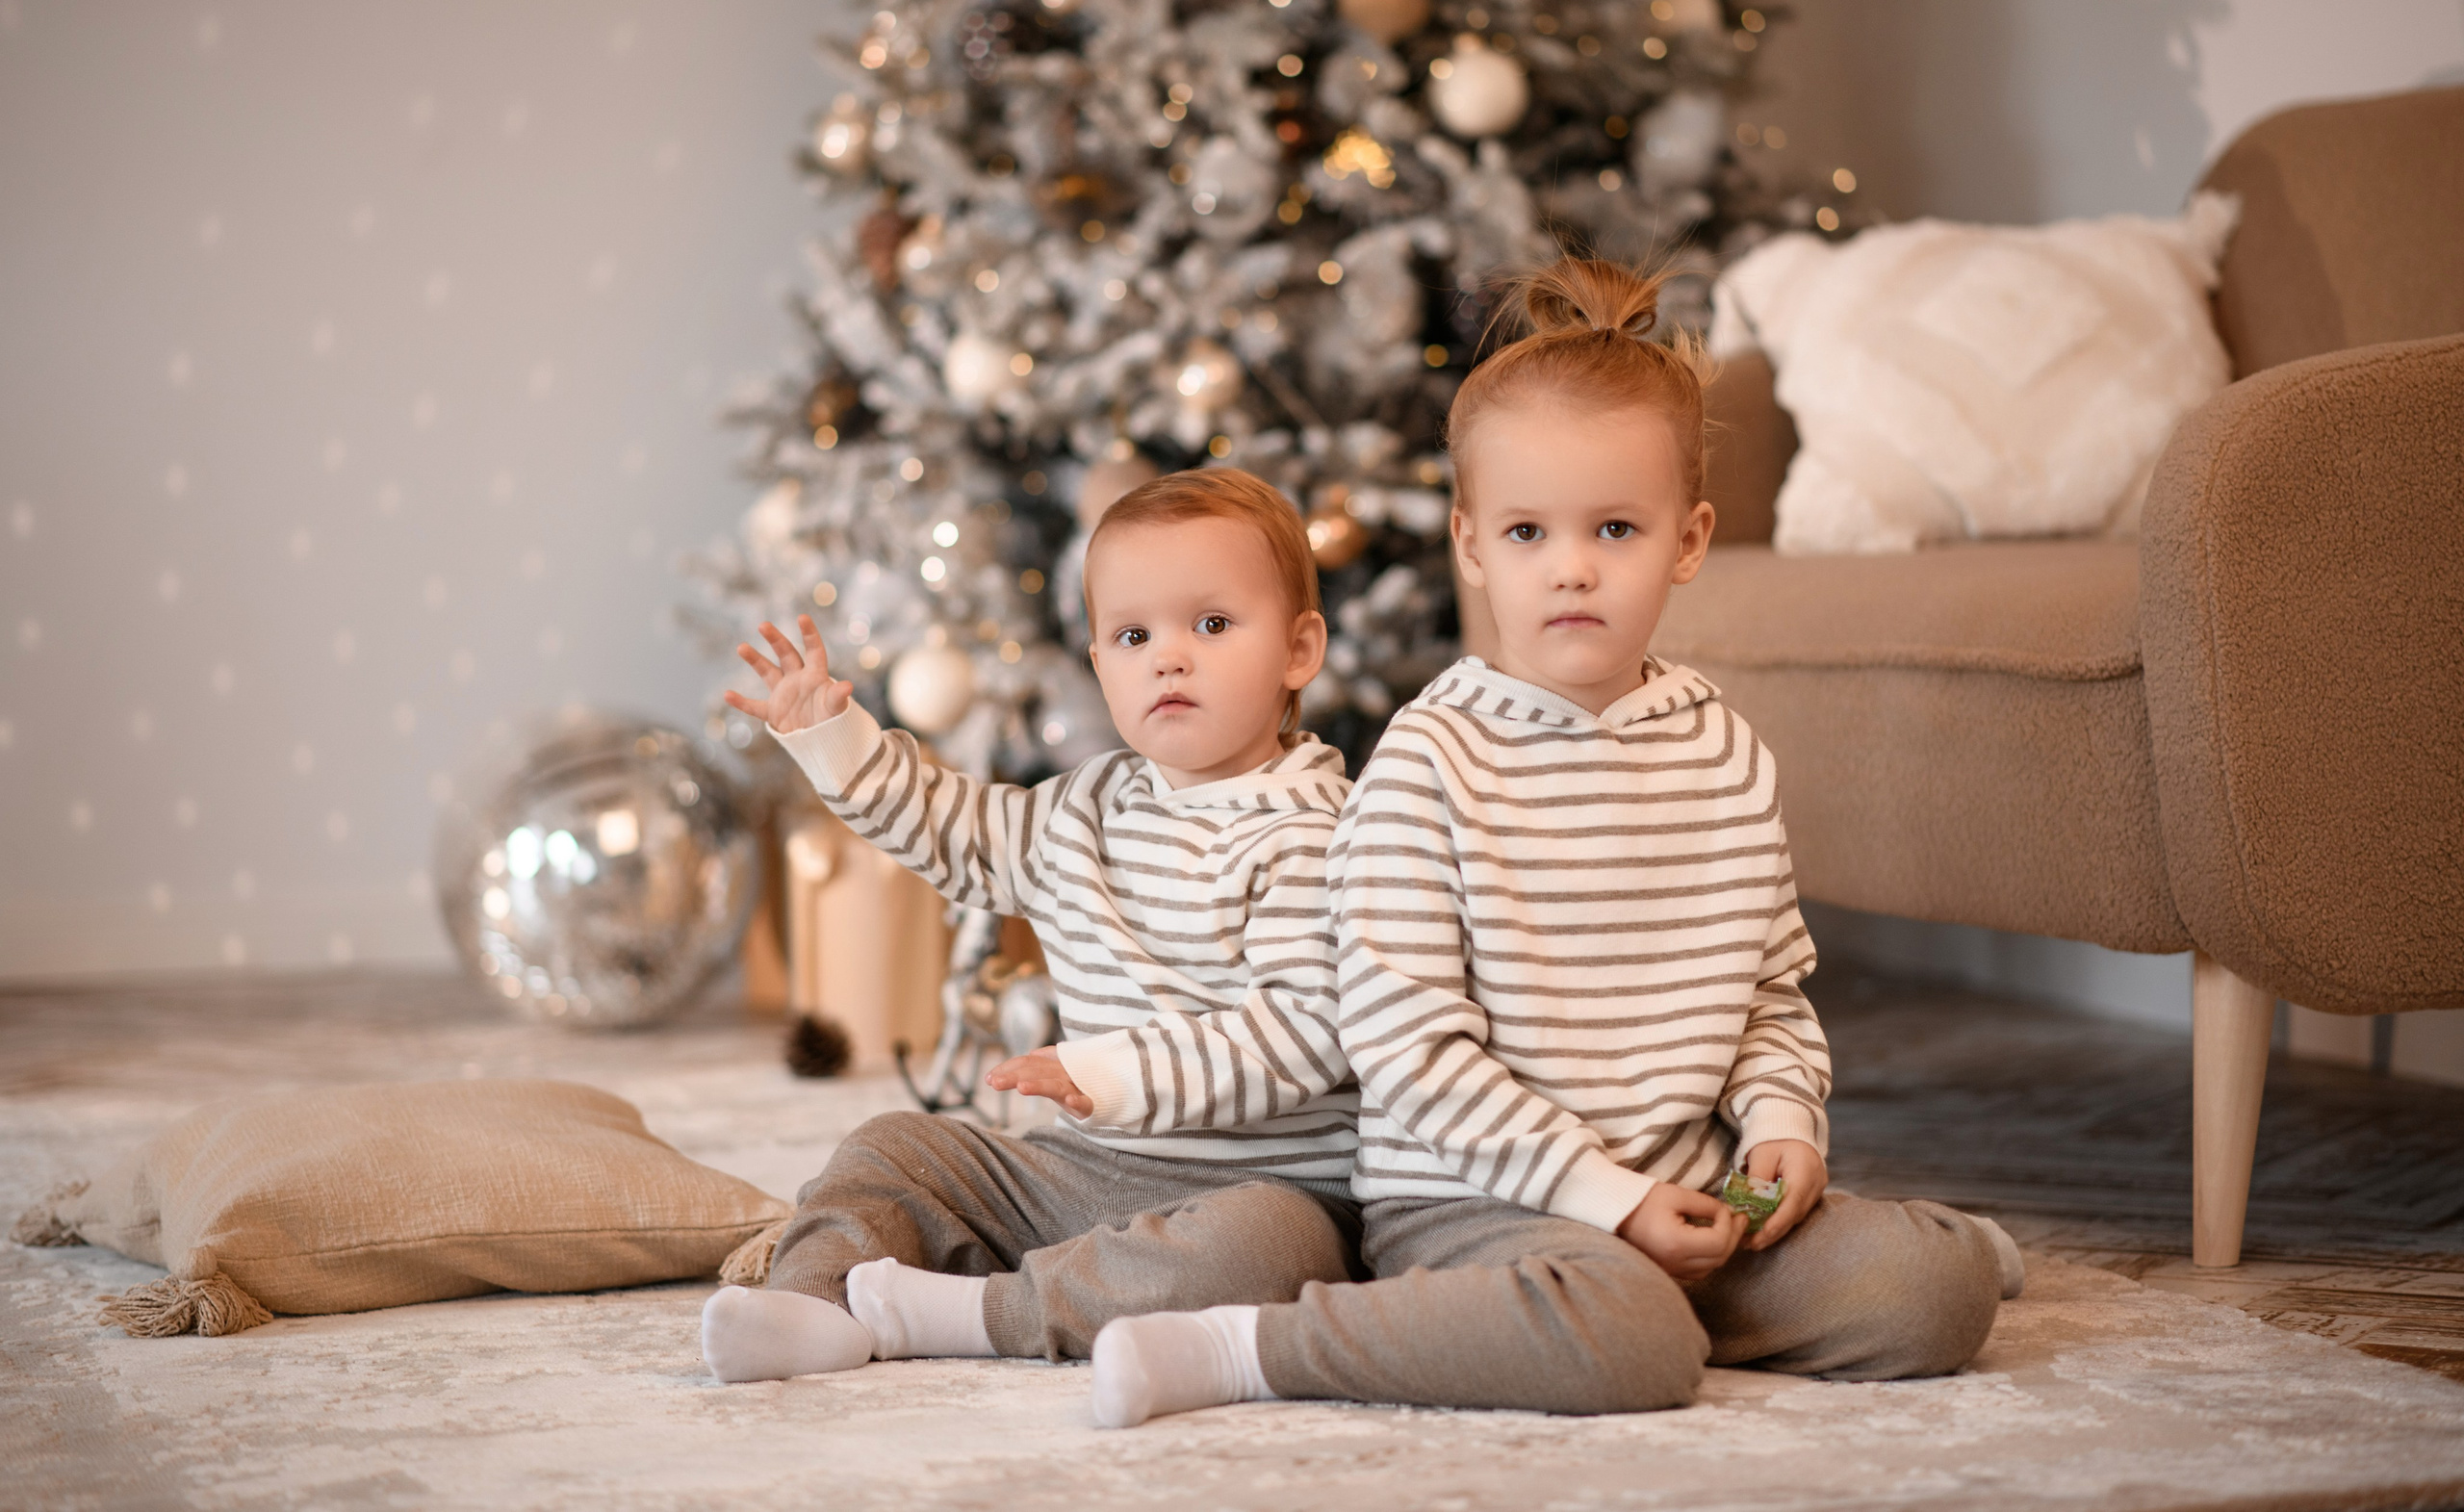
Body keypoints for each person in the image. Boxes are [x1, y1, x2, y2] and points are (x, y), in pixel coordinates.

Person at [1086, 258, 2023, 1427]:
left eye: (1615, 529)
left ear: (1687, 542)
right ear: (1472, 546)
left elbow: (1769, 991)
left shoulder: (1721, 747)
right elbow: (1405, 1046)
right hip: (1477, 1203)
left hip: (1687, 1195)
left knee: (1932, 1292)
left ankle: (1639, 1303)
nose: (1570, 566)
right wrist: (1602, 1201)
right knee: (1625, 1345)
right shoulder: (1431, 761)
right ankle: (1251, 1346)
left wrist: (1781, 1124)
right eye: (1528, 531)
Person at [699, 468, 1364, 1382]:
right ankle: (812, 1299)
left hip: (1255, 1184)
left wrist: (1111, 1070)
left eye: (1211, 624)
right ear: (1099, 664)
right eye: (1133, 635)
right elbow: (957, 831)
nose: (1168, 656)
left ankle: (978, 1311)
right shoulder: (1083, 809)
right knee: (895, 1145)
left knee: (1278, 1252)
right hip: (1081, 1168)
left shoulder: (1317, 830)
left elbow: (1301, 1033)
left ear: (1299, 649)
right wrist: (835, 741)